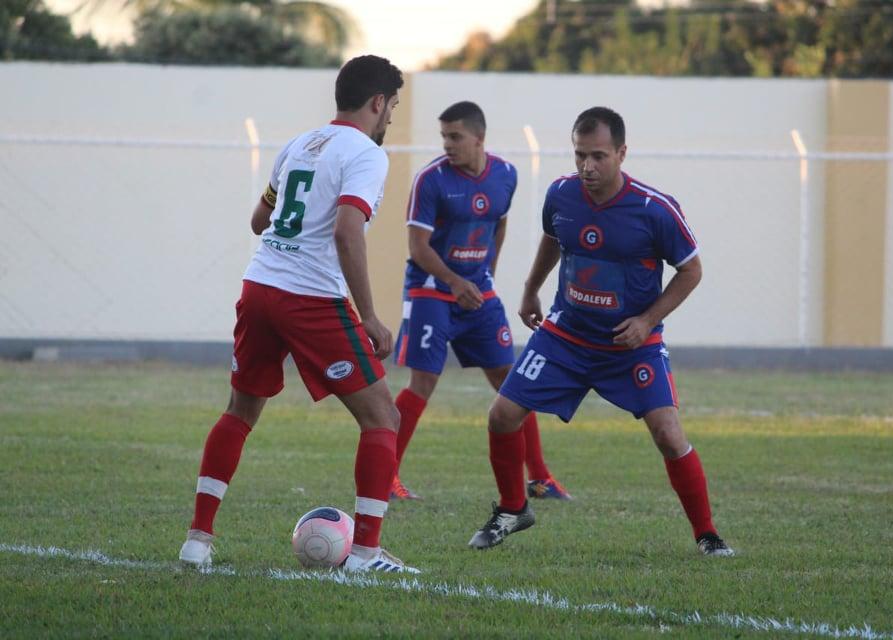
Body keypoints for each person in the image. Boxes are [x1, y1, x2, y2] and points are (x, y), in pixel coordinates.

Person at [178, 55, 419, 573]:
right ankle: (366, 555)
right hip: (310, 298)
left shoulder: (300, 143)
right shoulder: (368, 155)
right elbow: (346, 231)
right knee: (383, 418)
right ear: (378, 103)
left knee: (238, 413)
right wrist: (371, 317)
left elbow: (260, 219)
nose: (391, 118)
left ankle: (197, 541)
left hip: (259, 286)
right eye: (392, 106)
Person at [468, 106, 734, 557]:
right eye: (579, 156)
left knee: (669, 435)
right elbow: (554, 239)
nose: (587, 167)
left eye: (598, 156)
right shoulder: (562, 195)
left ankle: (707, 535)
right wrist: (531, 289)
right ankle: (513, 509)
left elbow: (691, 270)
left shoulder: (654, 209)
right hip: (565, 337)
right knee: (502, 415)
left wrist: (647, 320)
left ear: (621, 153)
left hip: (630, 346)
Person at [391, 101, 570, 501]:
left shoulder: (505, 175)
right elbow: (418, 248)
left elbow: (498, 222)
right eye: (444, 137)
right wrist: (454, 281)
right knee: (423, 381)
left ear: (479, 138)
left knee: (514, 383)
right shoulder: (431, 181)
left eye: (455, 137)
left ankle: (540, 478)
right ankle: (386, 476)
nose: (447, 145)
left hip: (477, 293)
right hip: (430, 291)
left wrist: (486, 271)